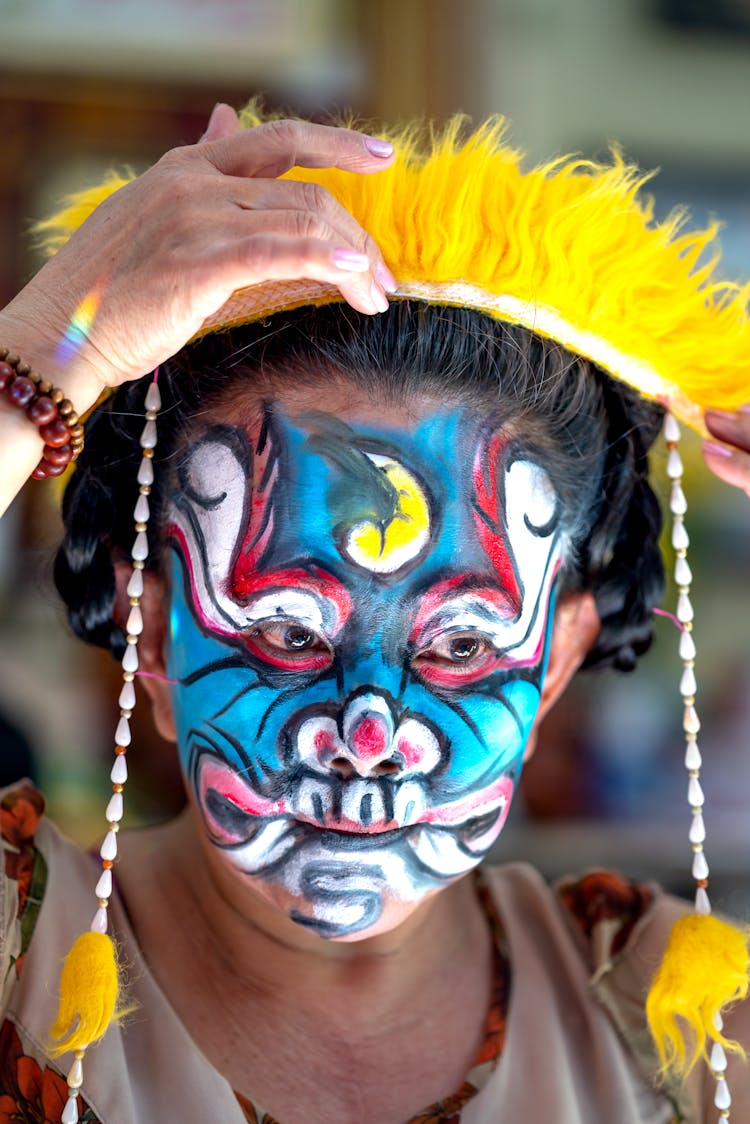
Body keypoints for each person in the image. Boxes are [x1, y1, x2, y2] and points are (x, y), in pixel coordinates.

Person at [0, 101, 749, 1124]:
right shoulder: (16, 949)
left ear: (559, 655)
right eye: (290, 631)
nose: (367, 734)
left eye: (462, 643)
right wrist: (47, 352)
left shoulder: (680, 1014)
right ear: (153, 635)